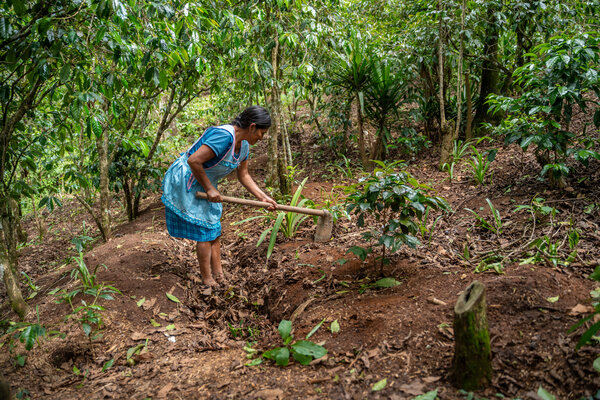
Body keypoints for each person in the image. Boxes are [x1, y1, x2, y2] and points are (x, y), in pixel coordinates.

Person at [161, 106, 277, 287]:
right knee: (205, 231)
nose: (262, 138)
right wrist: (209, 189)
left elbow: (244, 175)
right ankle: (207, 279)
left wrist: (263, 197)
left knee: (214, 230)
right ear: (252, 127)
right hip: (188, 178)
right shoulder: (224, 137)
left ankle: (219, 275)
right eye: (262, 133)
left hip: (205, 181)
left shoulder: (244, 145)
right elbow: (193, 160)